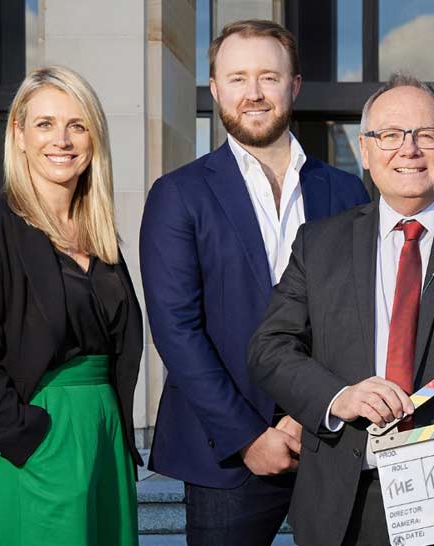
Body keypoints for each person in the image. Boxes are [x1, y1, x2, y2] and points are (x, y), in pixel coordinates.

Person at [248, 73, 434, 546]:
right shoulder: (319, 243)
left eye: (427, 135)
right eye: (390, 135)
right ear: (366, 152)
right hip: (343, 503)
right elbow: (269, 349)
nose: (408, 149)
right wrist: (339, 397)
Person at [139, 19, 371, 546]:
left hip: (331, 438)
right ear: (216, 90)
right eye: (238, 78)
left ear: (294, 85)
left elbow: (360, 318)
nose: (254, 93)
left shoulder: (346, 190)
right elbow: (176, 329)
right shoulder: (178, 194)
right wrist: (249, 437)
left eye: (268, 77)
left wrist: (304, 416)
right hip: (227, 451)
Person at [0, 65, 142, 546]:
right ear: (19, 134)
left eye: (77, 125)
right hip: (37, 437)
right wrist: (30, 439)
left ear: (94, 138)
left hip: (105, 438)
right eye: (45, 124)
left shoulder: (101, 236)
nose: (62, 140)